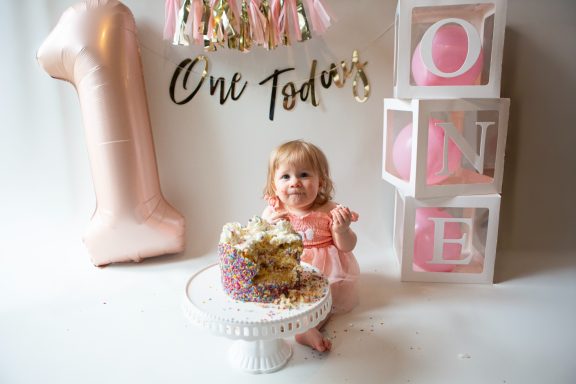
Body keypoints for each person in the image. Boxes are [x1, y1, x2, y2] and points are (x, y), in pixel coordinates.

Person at [262, 139, 360, 352]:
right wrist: (268, 229)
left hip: (324, 272)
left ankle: (308, 329)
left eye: (304, 175)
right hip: (289, 268)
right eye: (285, 176)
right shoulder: (274, 211)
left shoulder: (330, 210)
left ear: (321, 182)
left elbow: (347, 247)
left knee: (323, 302)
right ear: (274, 186)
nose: (295, 182)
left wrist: (342, 230)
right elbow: (262, 243)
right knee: (277, 293)